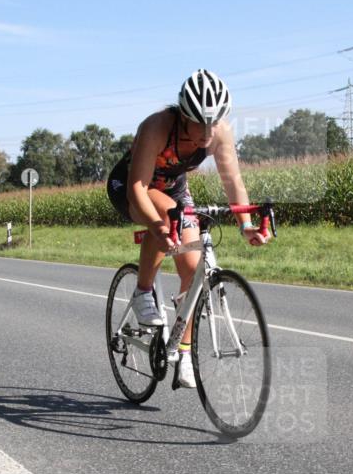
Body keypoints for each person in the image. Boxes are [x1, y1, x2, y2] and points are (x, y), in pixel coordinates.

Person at [107, 69, 267, 389]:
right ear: (183, 116)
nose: (208, 131)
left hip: (175, 190)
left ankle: (183, 352)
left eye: (214, 122)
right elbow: (138, 188)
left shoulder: (219, 132)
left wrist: (246, 225)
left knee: (193, 270)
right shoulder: (156, 127)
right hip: (132, 186)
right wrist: (156, 225)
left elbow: (233, 181)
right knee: (166, 220)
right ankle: (142, 292)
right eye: (200, 123)